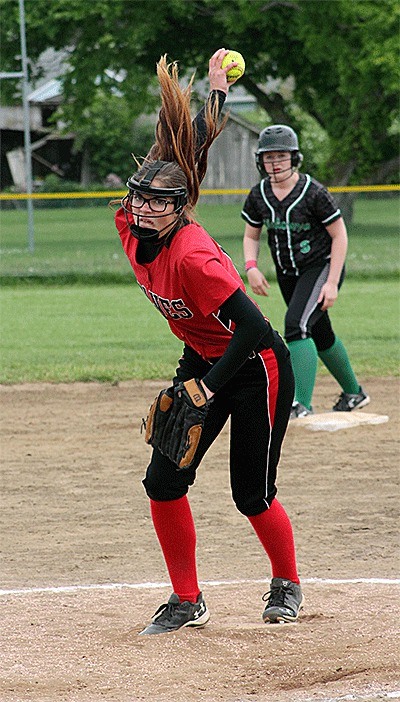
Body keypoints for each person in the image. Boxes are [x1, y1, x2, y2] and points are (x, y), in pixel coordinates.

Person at [114, 50, 303, 635]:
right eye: (139, 197)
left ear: (180, 210)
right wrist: (215, 95)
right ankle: (186, 598)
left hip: (257, 364)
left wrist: (204, 391)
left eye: (158, 203)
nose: (144, 209)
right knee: (163, 481)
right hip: (204, 356)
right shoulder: (128, 224)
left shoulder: (194, 257)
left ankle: (286, 582)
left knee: (251, 493)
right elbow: (179, 157)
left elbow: (251, 329)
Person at [242, 125, 370, 418]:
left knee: (296, 325)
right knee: (319, 333)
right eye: (268, 157)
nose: (275, 163)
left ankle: (300, 403)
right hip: (289, 273)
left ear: (294, 158)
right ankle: (354, 393)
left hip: (321, 267)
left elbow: (340, 236)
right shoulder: (259, 194)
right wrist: (251, 267)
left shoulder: (313, 192)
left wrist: (333, 282)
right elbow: (251, 236)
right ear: (260, 161)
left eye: (281, 156)